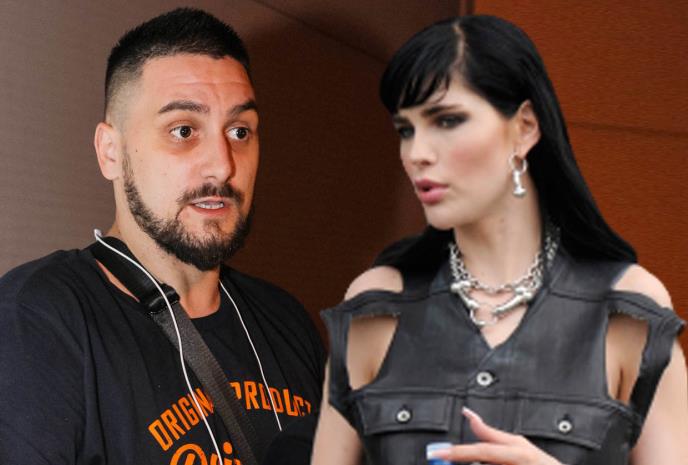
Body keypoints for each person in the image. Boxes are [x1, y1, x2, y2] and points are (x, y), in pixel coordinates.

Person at [311, 15, 687, 465]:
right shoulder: (375, 307)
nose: (416, 153)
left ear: (525, 127)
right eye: (406, 130)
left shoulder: (629, 311)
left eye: (447, 120)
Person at [0, 8, 324, 465]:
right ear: (110, 152)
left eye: (239, 131)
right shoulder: (37, 321)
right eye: (184, 130)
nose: (223, 165)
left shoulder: (286, 321)